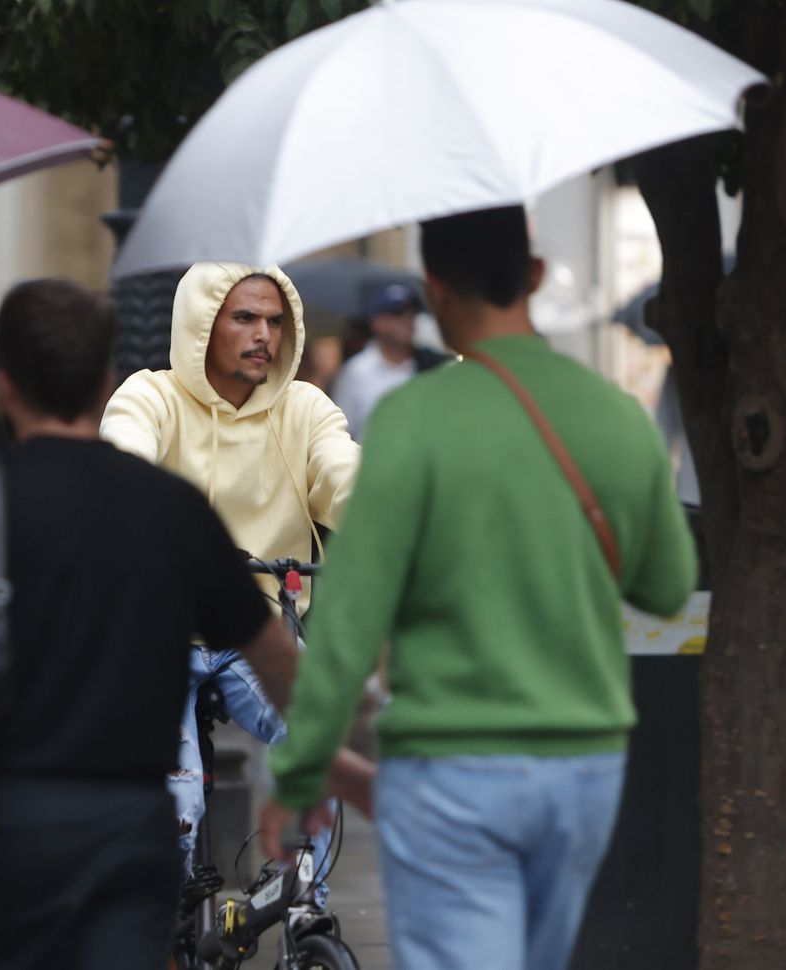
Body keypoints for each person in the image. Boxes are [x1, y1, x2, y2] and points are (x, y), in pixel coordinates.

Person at [262, 207, 699, 970]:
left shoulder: (414, 421)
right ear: (531, 275)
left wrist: (304, 772)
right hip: (585, 767)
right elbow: (669, 586)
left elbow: (351, 622)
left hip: (452, 767)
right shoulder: (617, 418)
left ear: (433, 289)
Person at [0, 279, 314, 970]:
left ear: (4, 387)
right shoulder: (172, 506)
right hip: (127, 833)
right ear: (104, 382)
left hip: (4, 829)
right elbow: (280, 665)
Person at [100, 262, 363, 890]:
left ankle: (304, 904)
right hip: (159, 639)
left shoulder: (304, 408)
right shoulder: (150, 396)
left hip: (260, 634)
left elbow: (343, 471)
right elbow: (122, 459)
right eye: (244, 317)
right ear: (201, 326)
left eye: (275, 321)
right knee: (175, 810)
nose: (263, 335)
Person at [330, 283, 451, 442]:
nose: (408, 319)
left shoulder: (434, 365)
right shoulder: (356, 372)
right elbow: (342, 432)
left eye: (412, 312)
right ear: (377, 322)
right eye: (397, 312)